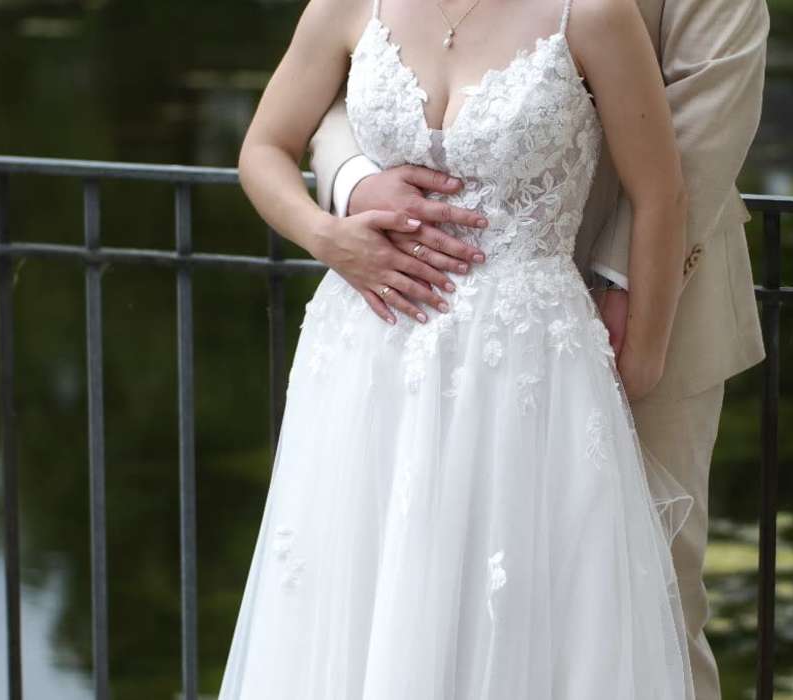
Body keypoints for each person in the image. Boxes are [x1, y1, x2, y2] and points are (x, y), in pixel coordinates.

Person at [219, 0, 710, 696]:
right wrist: (326, 236)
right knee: (359, 599)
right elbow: (263, 147)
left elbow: (660, 192)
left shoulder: (593, 13)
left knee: (516, 616)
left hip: (527, 368)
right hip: (366, 357)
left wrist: (645, 355)